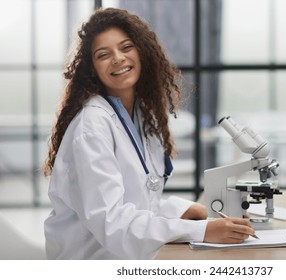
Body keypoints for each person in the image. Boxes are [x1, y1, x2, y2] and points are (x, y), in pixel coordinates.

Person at [42, 7, 255, 260]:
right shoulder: (91, 126)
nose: (118, 58)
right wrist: (202, 230)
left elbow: (139, 202)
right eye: (103, 54)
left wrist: (189, 210)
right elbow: (112, 221)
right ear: (92, 68)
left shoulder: (143, 116)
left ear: (142, 51)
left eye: (126, 47)